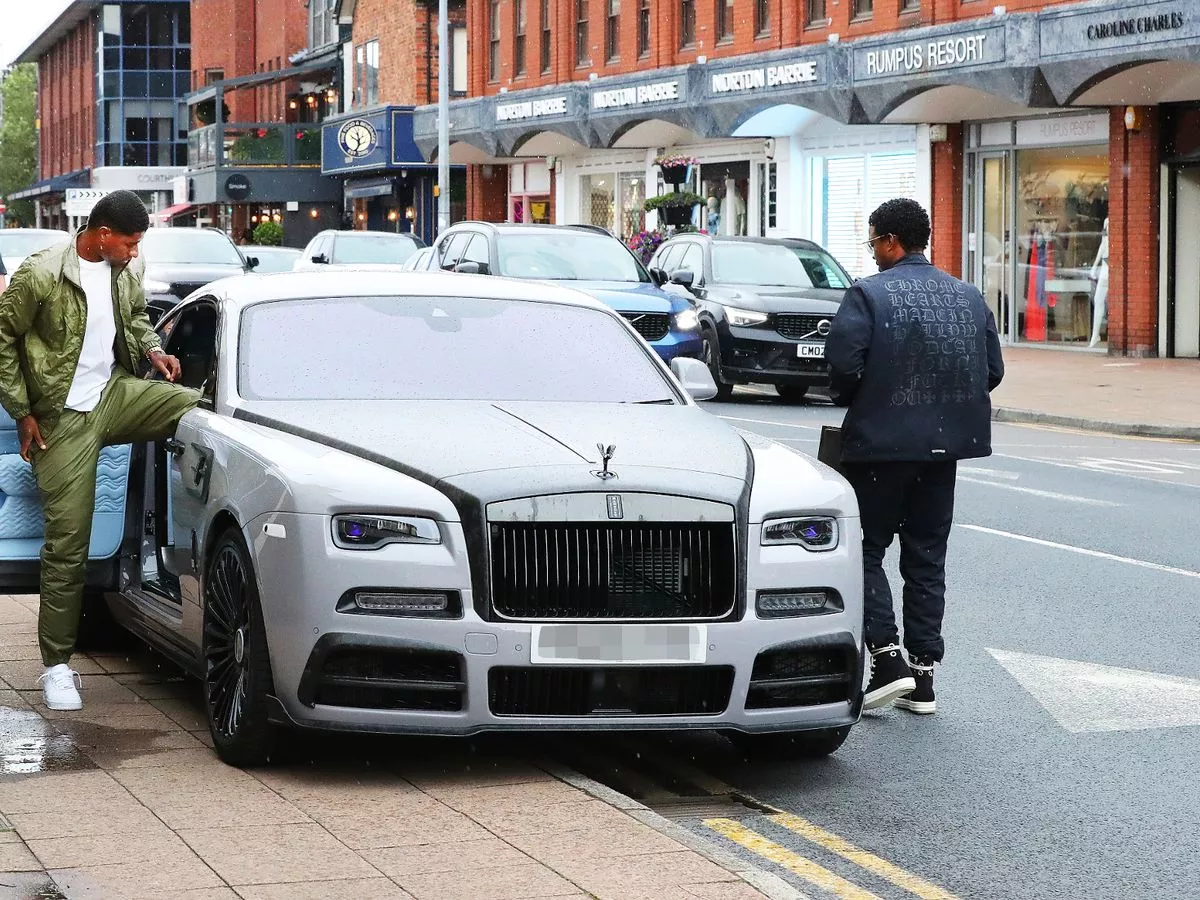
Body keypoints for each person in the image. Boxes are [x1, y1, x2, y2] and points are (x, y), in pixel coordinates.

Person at [0, 190, 197, 712]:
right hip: (61, 418)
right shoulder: (41, 274)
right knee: (68, 543)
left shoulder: (121, 271)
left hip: (113, 395)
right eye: (130, 242)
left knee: (196, 411)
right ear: (103, 234)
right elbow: (3, 337)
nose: (134, 252)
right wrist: (22, 411)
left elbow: (133, 319)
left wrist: (153, 348)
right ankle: (56, 666)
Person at [825, 198, 1004, 716]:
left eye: (874, 242)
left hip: (879, 447)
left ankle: (887, 660)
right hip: (944, 448)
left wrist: (867, 393)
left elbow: (842, 367)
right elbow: (991, 370)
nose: (873, 252)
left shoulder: (868, 294)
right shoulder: (967, 296)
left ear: (890, 242)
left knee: (862, 550)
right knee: (926, 557)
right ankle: (924, 679)